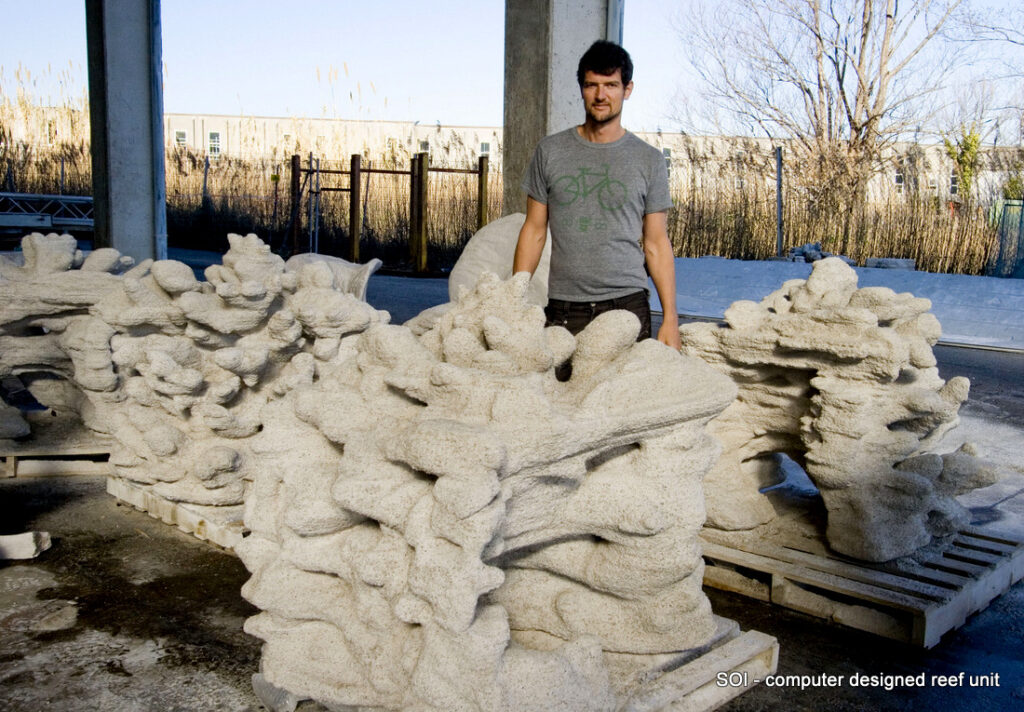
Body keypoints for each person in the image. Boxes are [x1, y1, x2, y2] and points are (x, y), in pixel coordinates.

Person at [512, 40, 681, 350]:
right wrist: (513, 298)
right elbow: (534, 230)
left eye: (611, 85)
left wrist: (671, 317)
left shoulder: (649, 160)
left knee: (627, 398)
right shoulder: (550, 151)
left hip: (628, 304)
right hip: (565, 307)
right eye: (592, 85)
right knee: (558, 396)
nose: (601, 95)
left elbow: (656, 242)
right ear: (581, 88)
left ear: (627, 89)